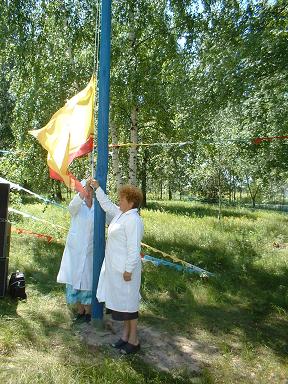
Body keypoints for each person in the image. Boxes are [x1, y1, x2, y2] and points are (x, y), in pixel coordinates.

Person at [91, 179, 144, 355]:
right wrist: (97, 188)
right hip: (117, 271)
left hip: (126, 272)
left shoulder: (133, 220)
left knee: (130, 306)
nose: (119, 201)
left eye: (122, 199)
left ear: (131, 202)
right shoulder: (122, 215)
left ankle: (134, 340)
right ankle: (125, 337)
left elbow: (134, 248)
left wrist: (129, 269)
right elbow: (106, 205)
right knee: (123, 305)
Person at [57, 178, 95, 323]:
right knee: (74, 279)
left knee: (88, 279)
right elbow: (71, 207)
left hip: (91, 251)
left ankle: (88, 312)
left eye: (91, 190)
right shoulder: (77, 205)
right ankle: (79, 311)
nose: (88, 193)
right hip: (76, 250)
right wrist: (82, 192)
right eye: (86, 190)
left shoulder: (97, 208)